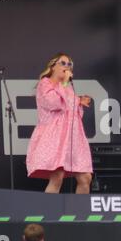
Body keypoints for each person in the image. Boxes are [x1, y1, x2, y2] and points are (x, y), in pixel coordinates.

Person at [26, 53, 93, 194]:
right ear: (53, 66)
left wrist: (80, 102)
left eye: (69, 64)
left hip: (73, 139)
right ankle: (48, 213)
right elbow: (53, 103)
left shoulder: (68, 88)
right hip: (54, 138)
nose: (67, 66)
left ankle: (79, 214)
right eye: (63, 63)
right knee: (57, 177)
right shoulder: (45, 84)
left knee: (85, 178)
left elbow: (75, 114)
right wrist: (63, 84)